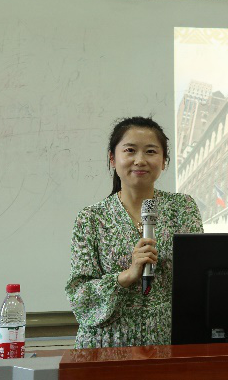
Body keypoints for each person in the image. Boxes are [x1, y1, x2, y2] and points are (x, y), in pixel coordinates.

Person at [65, 116, 203, 348]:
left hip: (166, 343)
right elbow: (80, 299)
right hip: (106, 346)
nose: (140, 160)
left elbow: (198, 279)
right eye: (130, 150)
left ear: (164, 161)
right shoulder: (90, 218)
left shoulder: (183, 208)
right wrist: (126, 276)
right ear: (112, 158)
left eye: (151, 152)